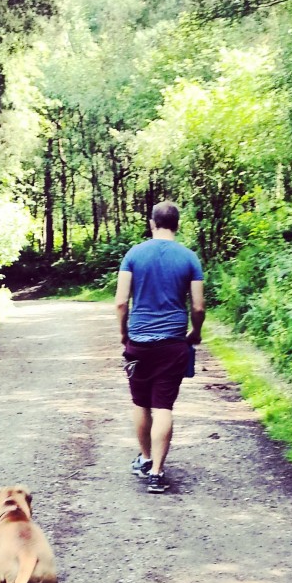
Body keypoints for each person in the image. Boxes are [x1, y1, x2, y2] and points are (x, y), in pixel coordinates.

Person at [115, 201, 205, 494]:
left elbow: (120, 302)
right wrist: (196, 333)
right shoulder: (190, 258)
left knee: (141, 403)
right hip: (173, 343)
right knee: (163, 406)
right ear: (177, 225)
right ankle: (157, 473)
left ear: (152, 223)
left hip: (138, 343)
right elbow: (199, 306)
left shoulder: (134, 255)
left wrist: (124, 335)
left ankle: (145, 458)